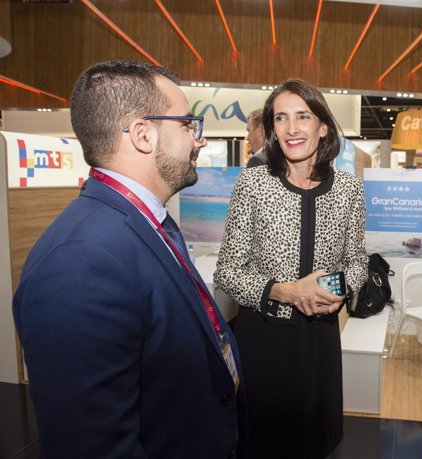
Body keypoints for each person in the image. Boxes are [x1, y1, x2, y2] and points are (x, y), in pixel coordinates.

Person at [13, 61, 247, 458]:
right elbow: (93, 446)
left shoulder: (140, 222)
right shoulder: (78, 264)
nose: (199, 140)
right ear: (143, 135)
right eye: (188, 125)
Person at [214, 78, 368, 459]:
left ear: (324, 127)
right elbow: (227, 271)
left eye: (303, 116)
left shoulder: (348, 189)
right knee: (263, 443)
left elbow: (359, 261)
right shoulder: (253, 183)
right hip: (264, 340)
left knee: (316, 442)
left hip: (319, 341)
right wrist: (286, 291)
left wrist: (340, 289)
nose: (292, 128)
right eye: (280, 118)